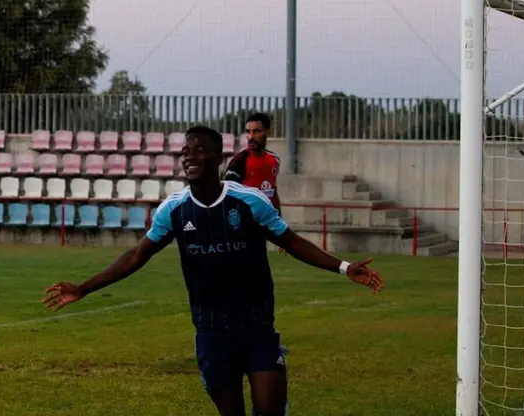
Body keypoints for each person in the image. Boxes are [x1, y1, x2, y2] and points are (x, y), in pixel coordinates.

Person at [43, 125, 384, 416]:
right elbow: (136, 255)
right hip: (210, 329)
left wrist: (343, 267)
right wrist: (84, 288)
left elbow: (292, 242)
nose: (189, 157)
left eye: (198, 151)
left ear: (218, 159)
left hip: (256, 325)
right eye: (185, 152)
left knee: (268, 410)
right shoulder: (174, 210)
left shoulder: (249, 202)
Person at [225, 113, 286, 256]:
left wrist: (281, 228)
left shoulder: (274, 160)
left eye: (256, 131)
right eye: (248, 132)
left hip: (262, 226)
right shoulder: (238, 163)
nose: (251, 136)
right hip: (241, 228)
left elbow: (272, 192)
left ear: (267, 132)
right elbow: (226, 199)